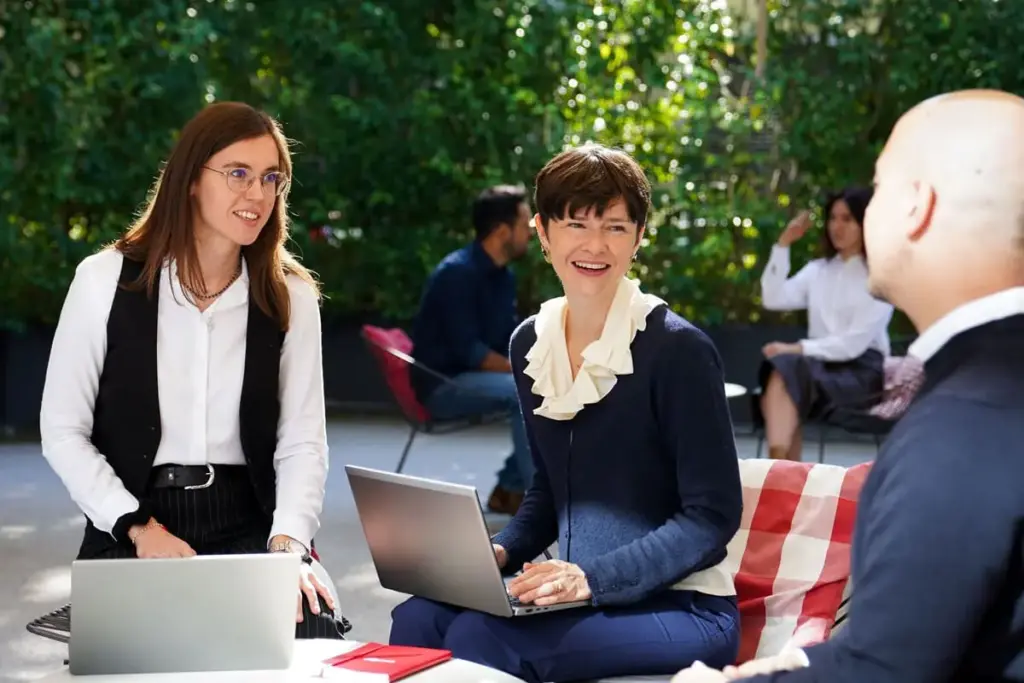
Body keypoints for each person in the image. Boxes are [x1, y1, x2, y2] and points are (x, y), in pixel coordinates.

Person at [672, 89, 1024, 682]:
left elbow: (885, 670)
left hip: (852, 371)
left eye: (879, 187)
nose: (855, 218)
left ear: (916, 206)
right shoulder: (980, 403)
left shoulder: (962, 425)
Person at [390, 144, 743, 682]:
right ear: (543, 231)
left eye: (615, 227)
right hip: (583, 593)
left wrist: (590, 578)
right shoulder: (530, 343)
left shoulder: (679, 350)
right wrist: (498, 552)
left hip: (685, 606)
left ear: (639, 237)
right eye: (576, 224)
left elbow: (712, 517)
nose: (595, 245)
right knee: (418, 617)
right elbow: (549, 491)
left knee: (481, 637)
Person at [38, 101, 347, 639]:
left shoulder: (291, 297)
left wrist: (289, 546)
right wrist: (138, 527)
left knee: (310, 634)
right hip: (134, 522)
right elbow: (63, 431)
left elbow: (302, 442)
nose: (258, 194)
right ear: (191, 181)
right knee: (149, 652)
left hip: (252, 522)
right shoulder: (103, 281)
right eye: (238, 174)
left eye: (270, 178)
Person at [409, 185, 534, 514]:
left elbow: (507, 340)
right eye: (525, 224)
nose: (531, 232)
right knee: (526, 392)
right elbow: (470, 352)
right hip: (443, 383)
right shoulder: (457, 274)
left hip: (475, 376)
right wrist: (523, 371)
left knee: (551, 385)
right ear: (502, 231)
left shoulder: (504, 277)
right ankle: (541, 504)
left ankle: (510, 489)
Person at [757, 187, 894, 460]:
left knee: (789, 370)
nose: (836, 227)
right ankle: (781, 464)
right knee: (785, 372)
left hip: (860, 371)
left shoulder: (879, 277)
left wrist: (797, 348)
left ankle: (778, 470)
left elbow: (852, 345)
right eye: (832, 218)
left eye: (847, 219)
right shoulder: (818, 270)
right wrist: (783, 245)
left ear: (864, 223)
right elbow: (772, 298)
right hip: (817, 366)